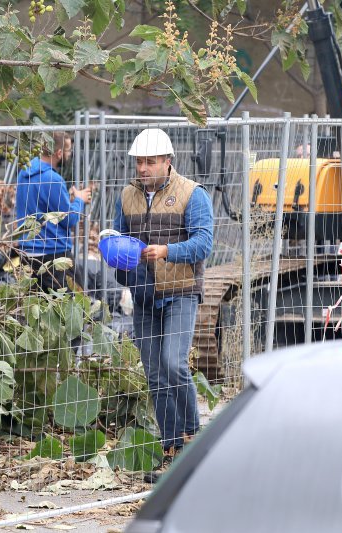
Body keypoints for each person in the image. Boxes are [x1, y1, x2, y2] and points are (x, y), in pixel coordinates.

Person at [113, 128, 213, 475]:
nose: (142, 168)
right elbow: (118, 236)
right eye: (139, 162)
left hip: (181, 291)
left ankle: (193, 438)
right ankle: (170, 450)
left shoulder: (193, 194)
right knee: (155, 375)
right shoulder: (126, 196)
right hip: (143, 295)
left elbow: (203, 244)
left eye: (149, 162)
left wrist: (167, 251)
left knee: (173, 364)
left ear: (168, 162)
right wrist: (112, 250)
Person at [15, 131, 92, 292]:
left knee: (37, 309)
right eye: (68, 150)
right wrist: (79, 199)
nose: (70, 154)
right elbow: (68, 219)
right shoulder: (53, 179)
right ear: (59, 153)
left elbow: (41, 206)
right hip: (54, 254)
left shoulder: (25, 172)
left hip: (27, 252)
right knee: (72, 306)